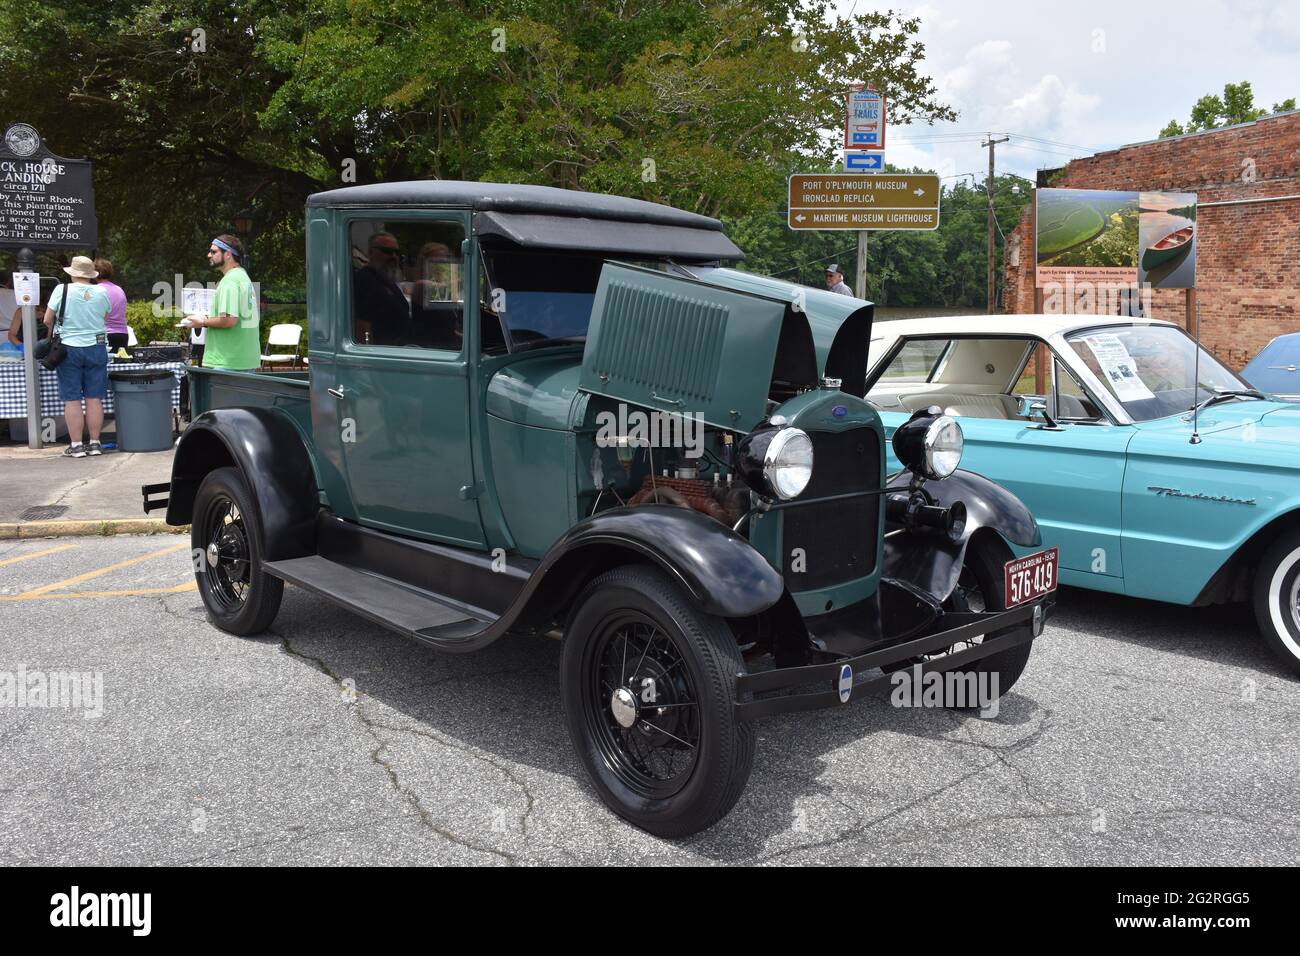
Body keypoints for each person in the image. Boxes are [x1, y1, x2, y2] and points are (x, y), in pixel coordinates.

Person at [43, 256, 111, 457]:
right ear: (91, 274)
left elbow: (47, 319)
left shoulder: (61, 290)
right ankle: (95, 442)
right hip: (97, 347)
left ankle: (76, 445)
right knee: (94, 398)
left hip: (69, 348)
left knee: (72, 399)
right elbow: (105, 316)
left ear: (72, 273)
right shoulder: (101, 291)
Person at [182, 234, 260, 370]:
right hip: (244, 360)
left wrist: (202, 322)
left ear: (228, 254)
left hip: (227, 361)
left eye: (214, 251)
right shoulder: (243, 277)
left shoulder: (230, 281)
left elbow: (229, 320)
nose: (208, 255)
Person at [352, 232, 411, 345]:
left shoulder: (385, 279)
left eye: (396, 252)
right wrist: (368, 355)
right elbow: (362, 327)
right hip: (383, 354)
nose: (393, 256)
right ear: (370, 252)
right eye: (387, 251)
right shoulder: (365, 280)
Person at [94, 258, 130, 350]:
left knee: (100, 362)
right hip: (123, 334)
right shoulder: (119, 289)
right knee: (120, 363)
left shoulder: (96, 291)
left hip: (103, 334)